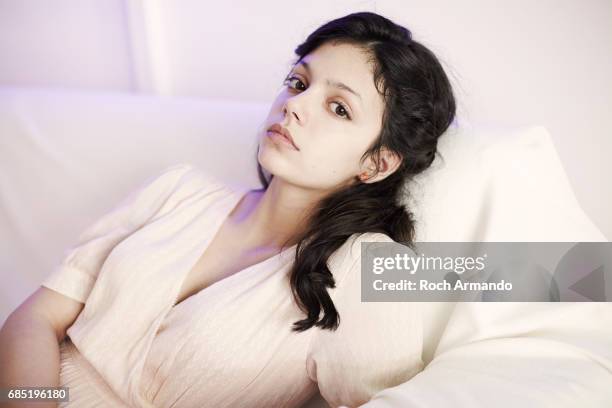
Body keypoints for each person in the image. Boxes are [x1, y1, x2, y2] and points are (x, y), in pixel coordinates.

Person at [0, 12, 456, 408]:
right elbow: (36, 319)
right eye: (298, 83)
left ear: (377, 163)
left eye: (338, 108)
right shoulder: (177, 190)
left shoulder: (363, 267)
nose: (294, 105)